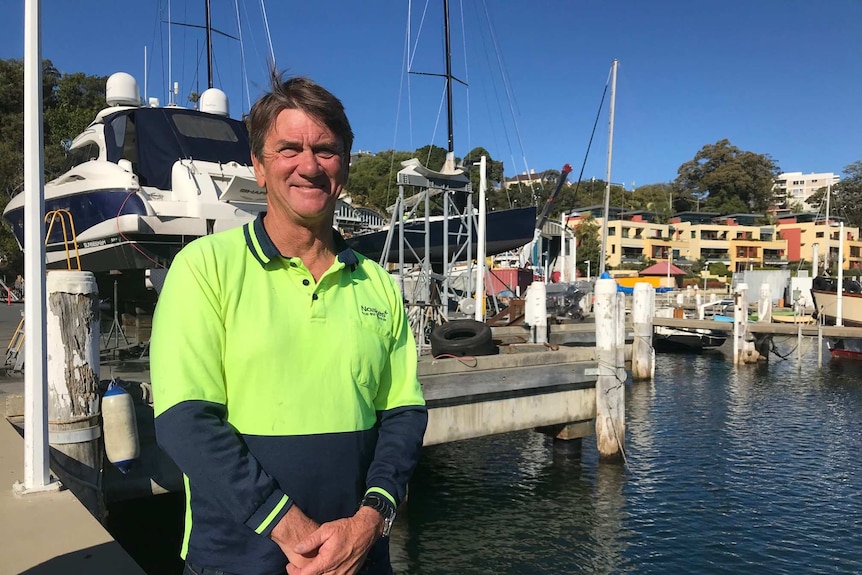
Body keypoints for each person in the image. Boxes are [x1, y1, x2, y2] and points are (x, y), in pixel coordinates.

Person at [151, 73, 428, 575]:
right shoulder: (204, 268)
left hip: (359, 559)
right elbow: (184, 422)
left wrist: (370, 520)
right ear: (258, 165)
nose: (309, 166)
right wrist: (292, 531)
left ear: (344, 164)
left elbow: (403, 417)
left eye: (326, 149)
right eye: (289, 149)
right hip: (235, 562)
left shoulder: (379, 285)